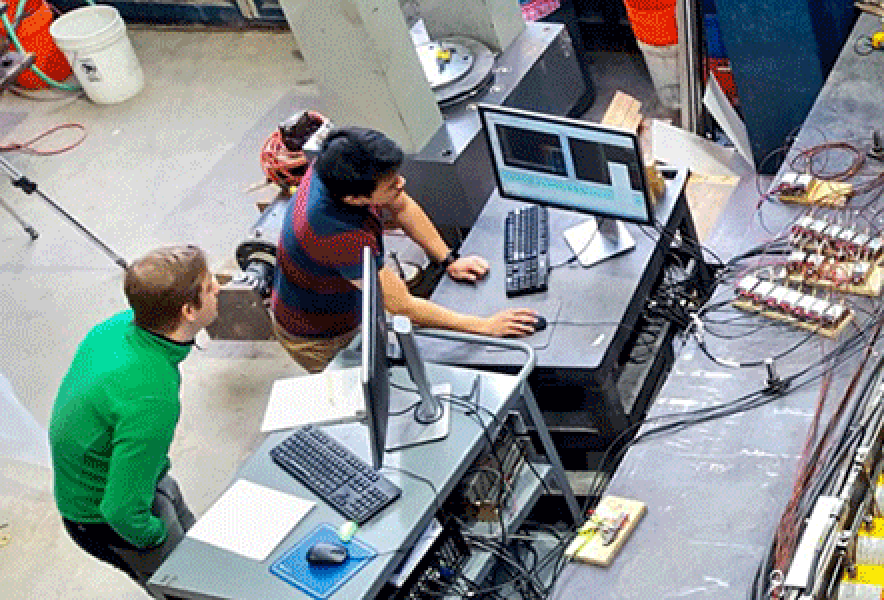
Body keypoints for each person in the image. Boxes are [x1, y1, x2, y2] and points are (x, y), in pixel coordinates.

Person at [271, 126, 539, 373]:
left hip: (353, 302)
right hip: (320, 333)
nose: (402, 183)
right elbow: (402, 306)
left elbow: (401, 206)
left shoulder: (340, 166)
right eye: (391, 184)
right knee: (371, 402)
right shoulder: (335, 231)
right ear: (354, 198)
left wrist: (448, 259)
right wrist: (485, 326)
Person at [48, 245, 220, 591]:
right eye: (209, 285)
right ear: (188, 311)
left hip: (136, 479)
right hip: (107, 518)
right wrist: (154, 537)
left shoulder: (119, 327)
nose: (218, 287)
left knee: (204, 556)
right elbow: (120, 509)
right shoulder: (150, 398)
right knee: (189, 589)